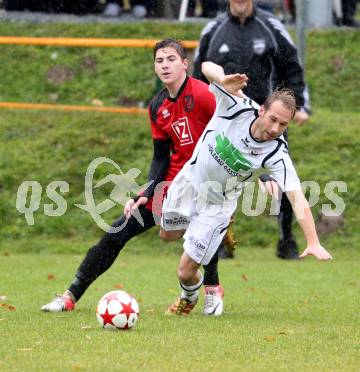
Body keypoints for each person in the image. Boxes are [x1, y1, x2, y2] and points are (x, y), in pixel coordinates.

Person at [41, 39, 225, 316]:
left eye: (171, 59)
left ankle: (211, 287)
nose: (164, 65)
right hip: (171, 185)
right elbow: (161, 156)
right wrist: (146, 193)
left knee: (203, 231)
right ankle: (70, 295)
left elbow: (231, 131)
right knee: (117, 231)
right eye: (159, 60)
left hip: (208, 183)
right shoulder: (157, 106)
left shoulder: (203, 95)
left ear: (185, 64)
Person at [160, 61, 332, 315]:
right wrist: (223, 79)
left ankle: (189, 296)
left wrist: (313, 240)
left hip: (217, 205)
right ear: (261, 110)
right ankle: (214, 233)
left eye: (283, 125)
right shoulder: (236, 106)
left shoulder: (276, 152)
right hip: (189, 182)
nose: (275, 129)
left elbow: (296, 197)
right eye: (273, 119)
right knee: (167, 236)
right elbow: (206, 65)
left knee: (184, 272)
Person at [193, 0, 311, 260]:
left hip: (268, 119)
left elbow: (292, 66)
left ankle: (286, 239)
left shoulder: (271, 26)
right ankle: (221, 239)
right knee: (220, 181)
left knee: (281, 178)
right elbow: (198, 75)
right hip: (227, 122)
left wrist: (299, 104)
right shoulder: (213, 29)